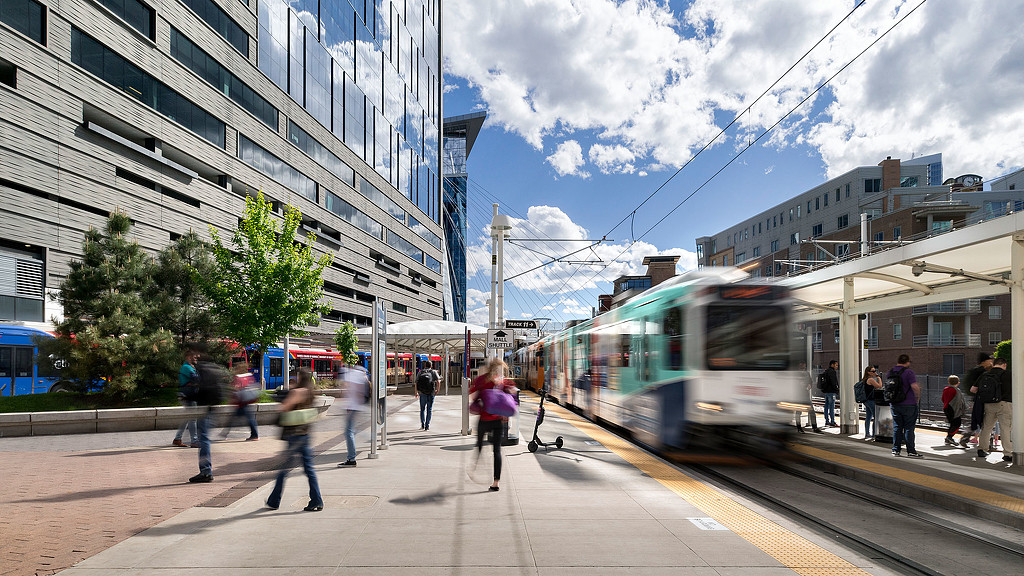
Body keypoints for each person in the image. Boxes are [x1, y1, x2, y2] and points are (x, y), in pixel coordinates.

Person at [267, 368, 324, 511]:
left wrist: (285, 398)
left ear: (300, 377)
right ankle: (316, 499)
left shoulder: (297, 392)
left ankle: (274, 500)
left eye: (295, 376)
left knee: (283, 469)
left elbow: (284, 408)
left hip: (294, 435)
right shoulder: (310, 392)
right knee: (309, 470)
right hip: (305, 434)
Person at [470, 357, 517, 491]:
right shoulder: (503, 382)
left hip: (484, 419)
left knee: (479, 443)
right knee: (497, 450)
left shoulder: (481, 380)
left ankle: (475, 467)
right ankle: (496, 482)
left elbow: (474, 397)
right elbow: (513, 398)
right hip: (498, 420)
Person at [973, 357, 1013, 461]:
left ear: (994, 364)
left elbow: (973, 389)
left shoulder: (985, 374)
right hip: (1005, 404)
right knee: (1005, 429)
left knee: (986, 427)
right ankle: (1008, 453)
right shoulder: (1008, 374)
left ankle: (982, 449)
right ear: (1004, 365)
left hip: (989, 404)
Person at [888, 354, 922, 458]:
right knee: (909, 428)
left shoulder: (891, 372)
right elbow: (914, 387)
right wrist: (917, 397)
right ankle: (911, 451)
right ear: (907, 362)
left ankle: (896, 450)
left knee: (897, 427)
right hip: (909, 404)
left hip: (894, 403)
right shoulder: (909, 372)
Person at [338, 362, 369, 467]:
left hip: (354, 407)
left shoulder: (353, 374)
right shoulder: (361, 375)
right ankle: (352, 457)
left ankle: (351, 458)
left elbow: (357, 392)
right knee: (350, 431)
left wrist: (352, 405)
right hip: (355, 407)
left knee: (348, 432)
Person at [959, 352, 993, 448]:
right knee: (987, 421)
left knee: (974, 420)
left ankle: (965, 437)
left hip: (974, 399)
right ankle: (988, 442)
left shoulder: (973, 371)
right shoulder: (983, 372)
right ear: (985, 361)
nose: (991, 361)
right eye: (989, 360)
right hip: (982, 399)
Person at [221, 362, 259, 441]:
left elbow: (235, 389)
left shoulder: (238, 377)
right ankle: (225, 433)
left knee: (237, 419)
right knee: (248, 419)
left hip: (241, 402)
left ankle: (225, 433)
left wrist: (231, 398)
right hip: (247, 401)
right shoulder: (249, 376)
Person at [172, 346, 200, 448]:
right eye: (195, 356)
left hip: (189, 394)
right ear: (189, 357)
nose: (197, 358)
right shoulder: (186, 367)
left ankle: (177, 439)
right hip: (188, 395)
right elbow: (196, 379)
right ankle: (194, 441)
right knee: (192, 418)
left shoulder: (191, 367)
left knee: (187, 417)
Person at [415, 360, 442, 431]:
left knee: (422, 409)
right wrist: (437, 390)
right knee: (429, 409)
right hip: (431, 393)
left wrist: (416, 392)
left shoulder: (420, 372)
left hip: (422, 393)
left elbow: (416, 382)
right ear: (431, 366)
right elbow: (438, 381)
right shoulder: (433, 372)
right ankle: (427, 426)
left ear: (425, 365)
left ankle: (422, 424)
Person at [795, 361, 821, 433]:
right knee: (798, 412)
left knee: (812, 411)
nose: (803, 365)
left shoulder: (806, 373)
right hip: (798, 396)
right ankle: (799, 427)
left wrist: (809, 385)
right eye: (802, 364)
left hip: (805, 395)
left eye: (804, 364)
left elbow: (811, 381)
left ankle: (815, 427)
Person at [941, 375, 966, 446]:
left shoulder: (945, 389)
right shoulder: (957, 391)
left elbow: (943, 399)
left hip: (946, 408)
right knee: (957, 424)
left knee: (952, 424)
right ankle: (949, 437)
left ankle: (949, 437)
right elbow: (959, 402)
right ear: (958, 383)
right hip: (954, 409)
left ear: (948, 382)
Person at [861, 366, 882, 440]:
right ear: (868, 372)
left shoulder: (865, 379)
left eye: (875, 371)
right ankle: (874, 434)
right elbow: (879, 386)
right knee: (876, 417)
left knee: (868, 417)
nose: (875, 372)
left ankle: (867, 433)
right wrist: (879, 378)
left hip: (866, 400)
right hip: (870, 401)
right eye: (873, 371)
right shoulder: (870, 380)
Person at [821, 360, 840, 427]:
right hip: (832, 392)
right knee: (832, 407)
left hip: (826, 392)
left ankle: (827, 421)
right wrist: (837, 389)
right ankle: (832, 421)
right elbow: (834, 382)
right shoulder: (832, 372)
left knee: (826, 406)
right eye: (836, 365)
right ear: (832, 365)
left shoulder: (826, 371)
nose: (837, 367)